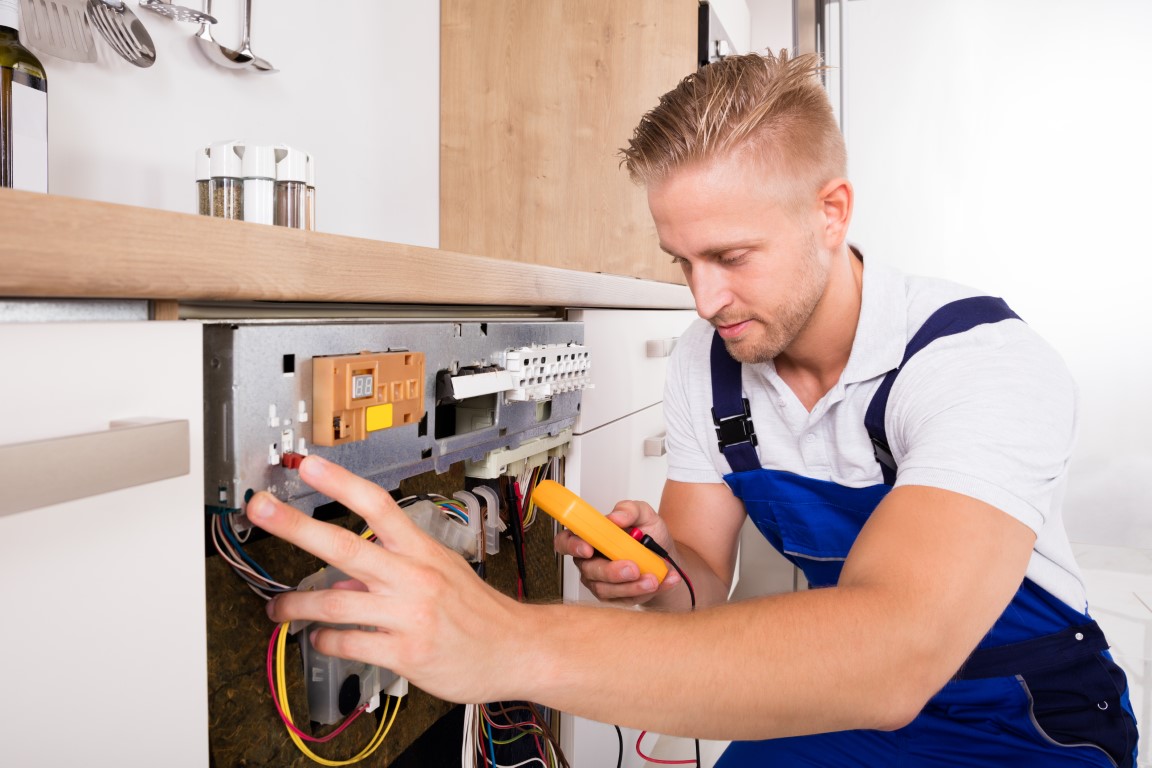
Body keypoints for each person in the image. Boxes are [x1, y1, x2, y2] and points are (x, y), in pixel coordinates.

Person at [248, 50, 1139, 766]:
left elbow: (895, 650)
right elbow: (698, 591)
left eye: (732, 255)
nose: (704, 299)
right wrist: (655, 572)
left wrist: (510, 642)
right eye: (682, 261)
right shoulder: (705, 365)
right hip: (832, 702)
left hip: (1025, 714)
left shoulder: (976, 362)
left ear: (831, 213)